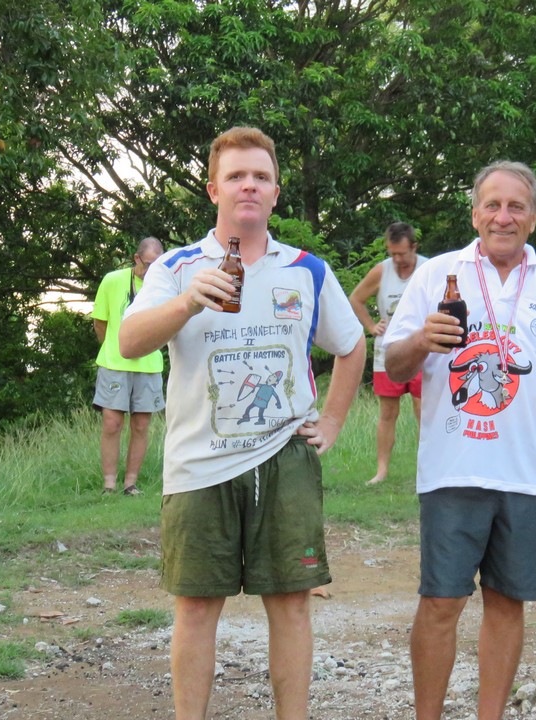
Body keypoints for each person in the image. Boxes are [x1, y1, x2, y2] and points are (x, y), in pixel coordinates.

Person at [118, 126, 366, 720]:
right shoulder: (176, 267)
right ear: (214, 190)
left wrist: (332, 420)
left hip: (284, 457)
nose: (248, 186)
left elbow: (352, 344)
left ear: (276, 192)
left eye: (260, 176)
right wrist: (186, 302)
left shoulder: (306, 269)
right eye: (236, 176)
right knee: (196, 607)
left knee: (292, 604)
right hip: (198, 463)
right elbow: (128, 342)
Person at [382, 160, 536, 720]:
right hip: (453, 468)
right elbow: (394, 364)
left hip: (528, 474)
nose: (503, 217)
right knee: (441, 601)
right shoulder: (437, 275)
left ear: (533, 218)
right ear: (475, 214)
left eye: (516, 206)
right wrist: (421, 340)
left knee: (507, 602)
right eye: (492, 205)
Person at [348, 221, 428, 485]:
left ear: (414, 247)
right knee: (387, 412)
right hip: (388, 351)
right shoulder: (382, 270)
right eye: (392, 253)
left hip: (421, 351)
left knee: (424, 409)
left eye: (402, 253)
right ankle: (381, 471)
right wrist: (371, 326)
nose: (397, 259)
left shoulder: (429, 269)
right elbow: (356, 299)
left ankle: (426, 469)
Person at [92, 236, 166, 495]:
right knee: (112, 423)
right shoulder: (112, 280)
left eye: (157, 265)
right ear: (136, 258)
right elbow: (100, 322)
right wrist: (113, 348)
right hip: (115, 363)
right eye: (148, 264)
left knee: (141, 425)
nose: (151, 271)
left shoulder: (164, 285)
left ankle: (130, 483)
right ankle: (109, 484)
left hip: (149, 365)